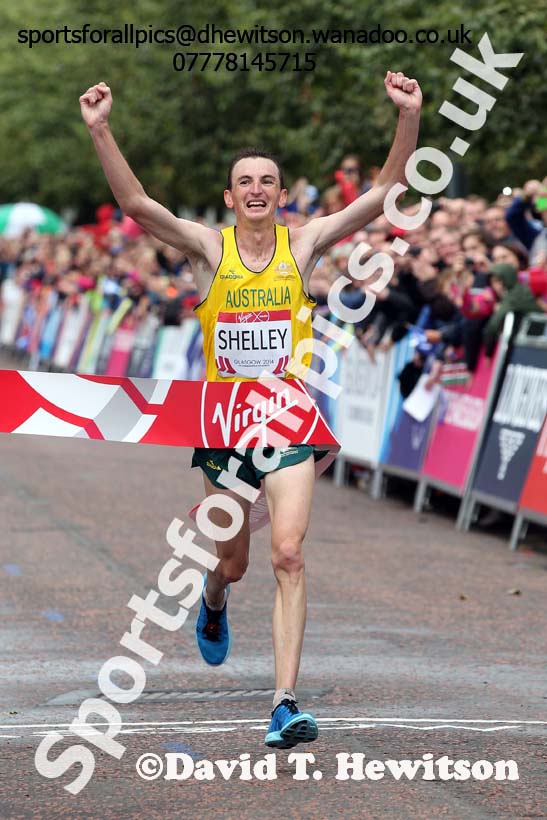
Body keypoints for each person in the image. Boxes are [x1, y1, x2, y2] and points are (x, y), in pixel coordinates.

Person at [79, 71, 422, 749]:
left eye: (268, 180)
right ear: (230, 197)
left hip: (289, 419)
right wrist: (100, 129)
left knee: (288, 553)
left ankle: (283, 702)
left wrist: (407, 117)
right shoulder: (210, 248)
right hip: (224, 427)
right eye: (246, 181)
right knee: (232, 562)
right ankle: (212, 597)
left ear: (282, 194)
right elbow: (139, 205)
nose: (257, 189)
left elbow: (383, 196)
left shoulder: (304, 243)